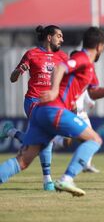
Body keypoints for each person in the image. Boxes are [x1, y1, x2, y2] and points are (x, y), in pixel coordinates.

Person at [0, 27, 104, 197]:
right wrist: (54, 91)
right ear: (99, 46)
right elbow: (60, 68)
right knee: (95, 140)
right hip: (53, 107)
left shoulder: (87, 66)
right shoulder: (81, 58)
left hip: (42, 110)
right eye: (103, 47)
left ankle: (46, 175)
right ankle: (67, 179)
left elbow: (92, 93)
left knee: (23, 161)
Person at [0, 25, 68, 191]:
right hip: (33, 101)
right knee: (46, 137)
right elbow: (13, 78)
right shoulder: (32, 54)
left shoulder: (63, 57)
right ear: (49, 37)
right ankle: (47, 181)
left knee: (41, 140)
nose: (62, 39)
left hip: (52, 103)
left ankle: (11, 132)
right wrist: (19, 70)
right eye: (59, 36)